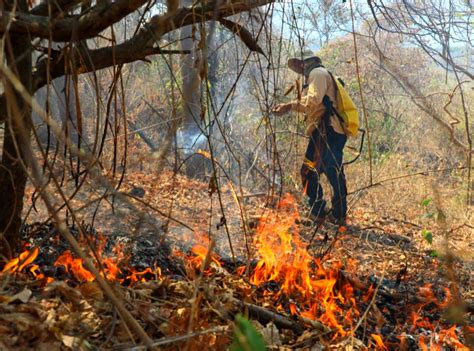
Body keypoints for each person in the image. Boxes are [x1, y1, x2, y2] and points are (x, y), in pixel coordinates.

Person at [273, 52, 347, 225]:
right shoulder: (320, 75)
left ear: (307, 62)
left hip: (326, 129)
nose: (299, 68)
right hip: (331, 130)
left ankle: (318, 212)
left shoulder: (317, 74)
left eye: (300, 64)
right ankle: (338, 214)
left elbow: (313, 101)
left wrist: (289, 106)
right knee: (332, 170)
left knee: (309, 171)